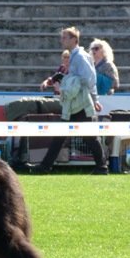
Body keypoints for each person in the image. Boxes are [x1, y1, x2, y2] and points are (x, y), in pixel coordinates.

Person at [30, 27, 108, 175]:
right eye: (62, 37)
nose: (62, 40)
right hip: (75, 104)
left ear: (74, 40)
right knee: (67, 135)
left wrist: (93, 99)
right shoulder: (74, 56)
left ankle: (102, 167)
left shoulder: (80, 57)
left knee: (88, 137)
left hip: (81, 104)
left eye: (65, 38)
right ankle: (45, 166)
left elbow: (90, 79)